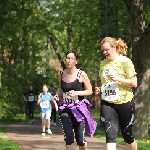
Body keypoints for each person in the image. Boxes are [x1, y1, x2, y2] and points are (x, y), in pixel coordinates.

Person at [95, 37, 137, 150]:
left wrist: (119, 79)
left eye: (107, 50)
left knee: (127, 135)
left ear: (114, 47)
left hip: (125, 102)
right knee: (110, 135)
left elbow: (134, 83)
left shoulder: (125, 61)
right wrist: (100, 89)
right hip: (107, 103)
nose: (104, 53)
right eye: (103, 50)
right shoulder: (103, 64)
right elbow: (105, 83)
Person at [55, 50, 97, 150]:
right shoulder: (61, 74)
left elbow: (90, 91)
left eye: (72, 59)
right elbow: (60, 88)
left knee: (81, 140)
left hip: (79, 109)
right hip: (65, 108)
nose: (69, 61)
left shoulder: (81, 74)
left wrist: (76, 93)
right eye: (68, 58)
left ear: (76, 61)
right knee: (68, 137)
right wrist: (57, 95)